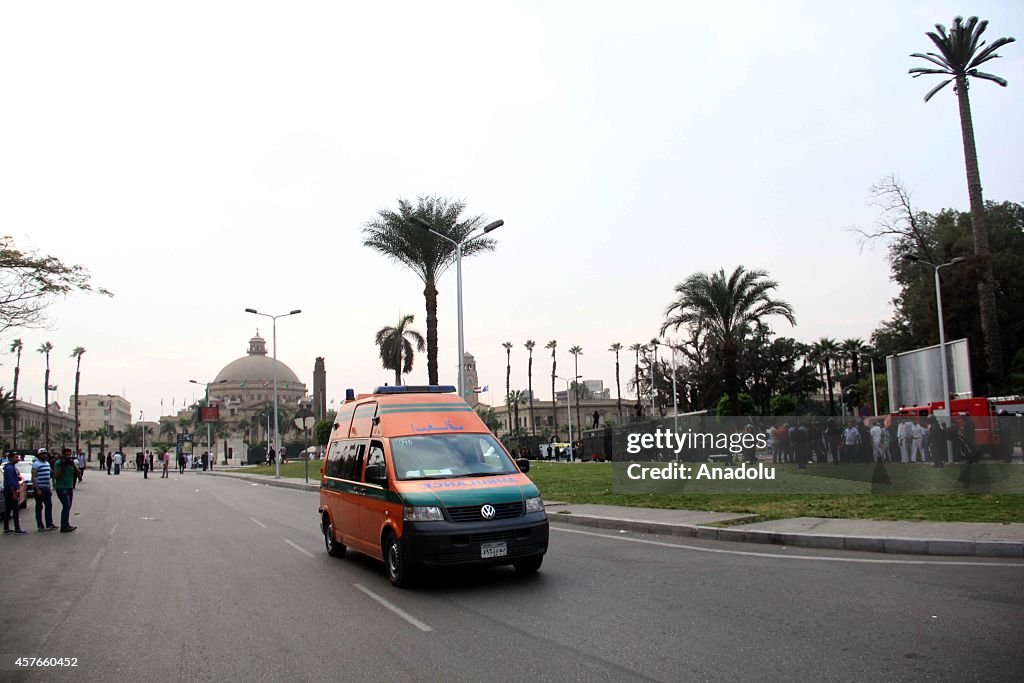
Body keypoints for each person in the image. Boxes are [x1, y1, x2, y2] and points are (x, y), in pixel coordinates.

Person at [53, 448, 80, 532]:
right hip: (61, 487)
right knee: (66, 506)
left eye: (70, 455)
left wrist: (73, 465)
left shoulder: (71, 463)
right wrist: (62, 466)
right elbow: (56, 476)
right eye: (66, 455)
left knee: (68, 507)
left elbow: (78, 473)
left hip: (69, 487)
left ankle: (66, 524)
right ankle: (64, 526)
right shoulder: (58, 463)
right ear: (63, 455)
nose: (68, 456)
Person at [2, 452, 27, 534]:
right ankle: (17, 528)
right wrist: (14, 493)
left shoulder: (11, 467)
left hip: (9, 490)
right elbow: (10, 482)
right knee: (15, 510)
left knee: (8, 510)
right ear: (11, 458)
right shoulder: (10, 468)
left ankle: (6, 528)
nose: (18, 459)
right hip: (10, 491)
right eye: (16, 457)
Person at [32, 448, 56, 531]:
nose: (45, 455)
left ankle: (49, 524)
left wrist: (50, 488)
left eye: (45, 454)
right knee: (39, 507)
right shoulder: (36, 464)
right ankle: (40, 525)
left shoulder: (47, 463)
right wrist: (37, 489)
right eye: (42, 454)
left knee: (49, 506)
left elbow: (49, 477)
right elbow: (34, 477)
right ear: (39, 455)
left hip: (46, 488)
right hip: (40, 488)